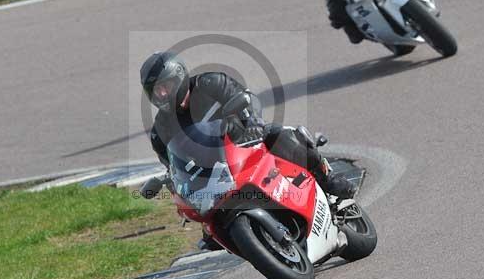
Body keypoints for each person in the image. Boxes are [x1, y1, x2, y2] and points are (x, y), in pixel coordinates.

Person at [140, 51, 357, 202]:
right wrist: (172, 184)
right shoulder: (161, 129)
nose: (161, 94)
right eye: (155, 91)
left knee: (280, 134)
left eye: (164, 87)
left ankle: (327, 179)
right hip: (215, 174)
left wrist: (252, 123)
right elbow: (172, 167)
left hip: (245, 140)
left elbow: (246, 98)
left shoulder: (210, 83)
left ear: (178, 76)